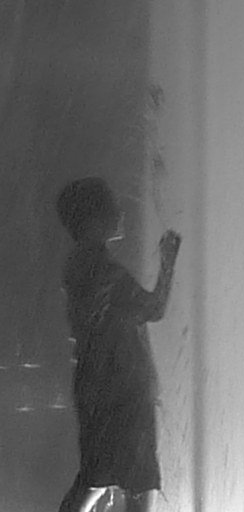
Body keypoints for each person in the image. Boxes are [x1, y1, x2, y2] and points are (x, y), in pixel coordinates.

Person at [56, 177, 182, 512]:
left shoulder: (78, 266)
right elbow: (154, 308)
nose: (120, 213)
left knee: (95, 477)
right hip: (123, 384)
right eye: (113, 207)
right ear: (94, 218)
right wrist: (168, 263)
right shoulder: (104, 271)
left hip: (96, 382)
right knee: (137, 482)